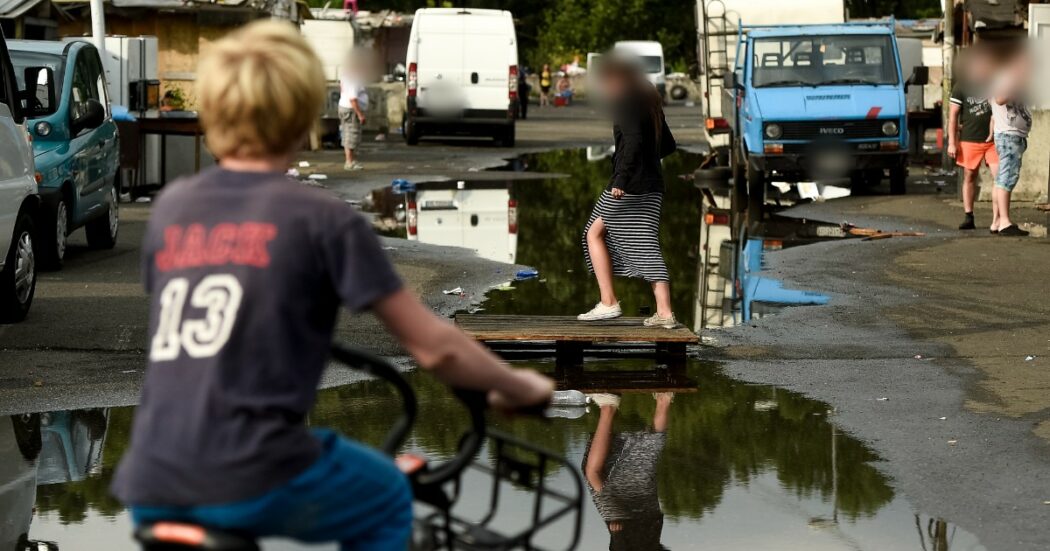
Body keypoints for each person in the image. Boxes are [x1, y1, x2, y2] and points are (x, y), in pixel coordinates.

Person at [109, 21, 554, 551]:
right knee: (387, 494)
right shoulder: (318, 216)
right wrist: (518, 384)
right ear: (303, 114)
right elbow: (433, 345)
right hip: (252, 467)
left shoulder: (173, 208)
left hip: (153, 475)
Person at [579, 54, 677, 328]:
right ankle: (664, 312)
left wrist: (621, 178)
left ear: (615, 78)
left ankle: (609, 303)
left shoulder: (624, 101)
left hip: (629, 185)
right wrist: (645, 158)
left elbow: (633, 140)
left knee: (595, 234)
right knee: (638, 241)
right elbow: (668, 145)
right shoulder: (648, 99)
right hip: (652, 183)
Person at [582, 392, 671, 551]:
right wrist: (617, 536)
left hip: (648, 519)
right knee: (592, 473)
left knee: (645, 459)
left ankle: (664, 399)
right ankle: (608, 407)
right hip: (625, 523)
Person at [948, 49, 998, 231]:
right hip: (969, 139)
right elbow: (953, 116)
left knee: (998, 177)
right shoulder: (961, 86)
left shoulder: (994, 84)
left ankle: (998, 218)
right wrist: (952, 142)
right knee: (970, 176)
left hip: (994, 140)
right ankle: (969, 215)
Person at [990, 52, 1033, 237]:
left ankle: (998, 221)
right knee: (1006, 178)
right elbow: (1000, 98)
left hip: (1010, 135)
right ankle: (1004, 222)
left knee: (1002, 178)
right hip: (1009, 136)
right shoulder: (1008, 78)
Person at [339, 53, 369, 171]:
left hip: (345, 107)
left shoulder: (345, 76)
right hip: (351, 110)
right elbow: (353, 99)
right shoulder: (353, 80)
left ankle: (351, 160)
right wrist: (360, 114)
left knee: (347, 133)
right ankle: (349, 162)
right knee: (352, 135)